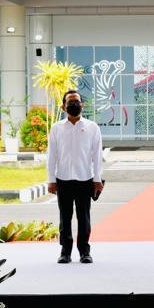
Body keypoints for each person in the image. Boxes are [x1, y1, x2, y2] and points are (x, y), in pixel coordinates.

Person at [46, 90, 104, 264]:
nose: (74, 104)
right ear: (63, 106)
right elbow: (52, 156)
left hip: (85, 179)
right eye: (70, 102)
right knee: (65, 218)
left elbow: (97, 156)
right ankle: (65, 252)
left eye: (77, 101)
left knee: (84, 217)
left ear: (82, 105)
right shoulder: (56, 128)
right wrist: (51, 180)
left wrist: (97, 179)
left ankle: (85, 252)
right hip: (63, 179)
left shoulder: (92, 127)